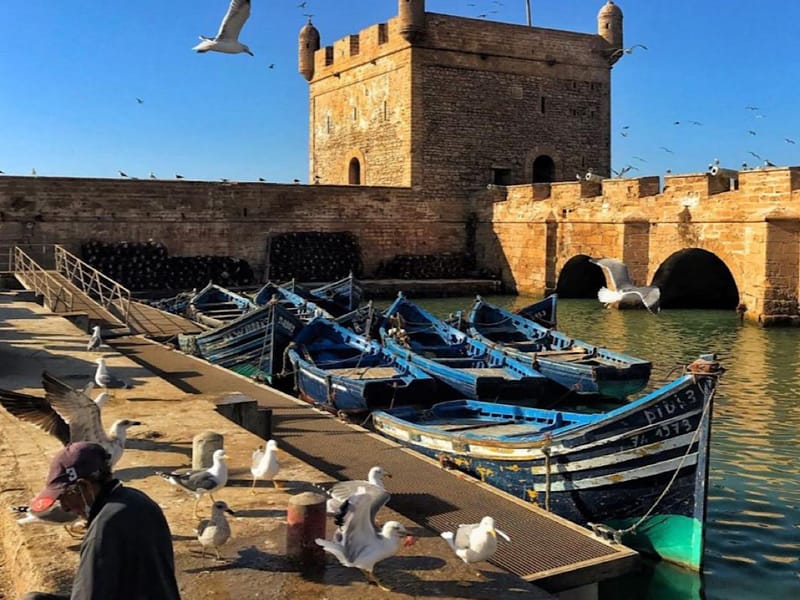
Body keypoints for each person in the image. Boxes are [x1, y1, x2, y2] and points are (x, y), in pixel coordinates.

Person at [22, 441, 181, 600]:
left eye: (65, 497)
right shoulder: (136, 499)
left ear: (84, 486)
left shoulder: (104, 529)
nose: (65, 507)